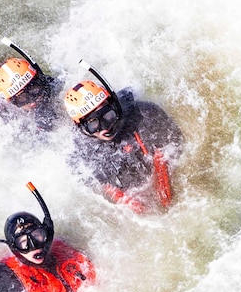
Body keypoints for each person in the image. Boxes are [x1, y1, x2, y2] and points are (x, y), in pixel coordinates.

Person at [64, 62, 184, 213]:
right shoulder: (83, 156)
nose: (105, 127)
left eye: (108, 116)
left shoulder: (145, 113)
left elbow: (172, 146)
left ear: (114, 105)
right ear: (82, 128)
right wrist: (129, 203)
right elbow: (104, 186)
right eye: (93, 125)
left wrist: (164, 186)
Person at [0, 38, 63, 131]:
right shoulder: (4, 114)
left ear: (39, 80)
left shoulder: (53, 86)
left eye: (34, 90)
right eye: (22, 98)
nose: (33, 101)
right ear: (12, 102)